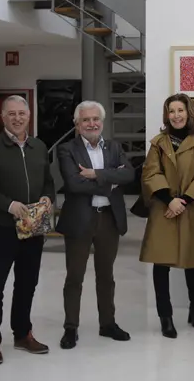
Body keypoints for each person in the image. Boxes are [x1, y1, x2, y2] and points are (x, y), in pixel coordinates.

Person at [0, 95, 55, 365]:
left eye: (22, 113)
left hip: (33, 228)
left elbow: (48, 182)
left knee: (27, 284)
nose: (17, 118)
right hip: (1, 229)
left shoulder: (39, 146)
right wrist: (7, 205)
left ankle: (22, 334)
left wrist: (47, 197)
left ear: (29, 116)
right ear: (3, 117)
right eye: (11, 114)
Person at [56, 101, 136, 350]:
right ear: (77, 124)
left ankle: (107, 324)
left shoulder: (114, 147)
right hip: (80, 219)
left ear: (102, 122)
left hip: (108, 220)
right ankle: (71, 328)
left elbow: (130, 175)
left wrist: (96, 174)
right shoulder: (66, 149)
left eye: (95, 119)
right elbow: (73, 184)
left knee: (106, 276)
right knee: (74, 277)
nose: (91, 124)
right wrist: (110, 179)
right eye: (85, 120)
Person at [140, 93, 194, 338]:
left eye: (180, 110)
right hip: (164, 210)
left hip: (189, 210)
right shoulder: (158, 143)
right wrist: (169, 200)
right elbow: (150, 174)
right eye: (172, 111)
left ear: (188, 113)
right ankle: (166, 318)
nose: (176, 115)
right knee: (161, 266)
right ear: (166, 115)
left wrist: (183, 201)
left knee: (192, 264)